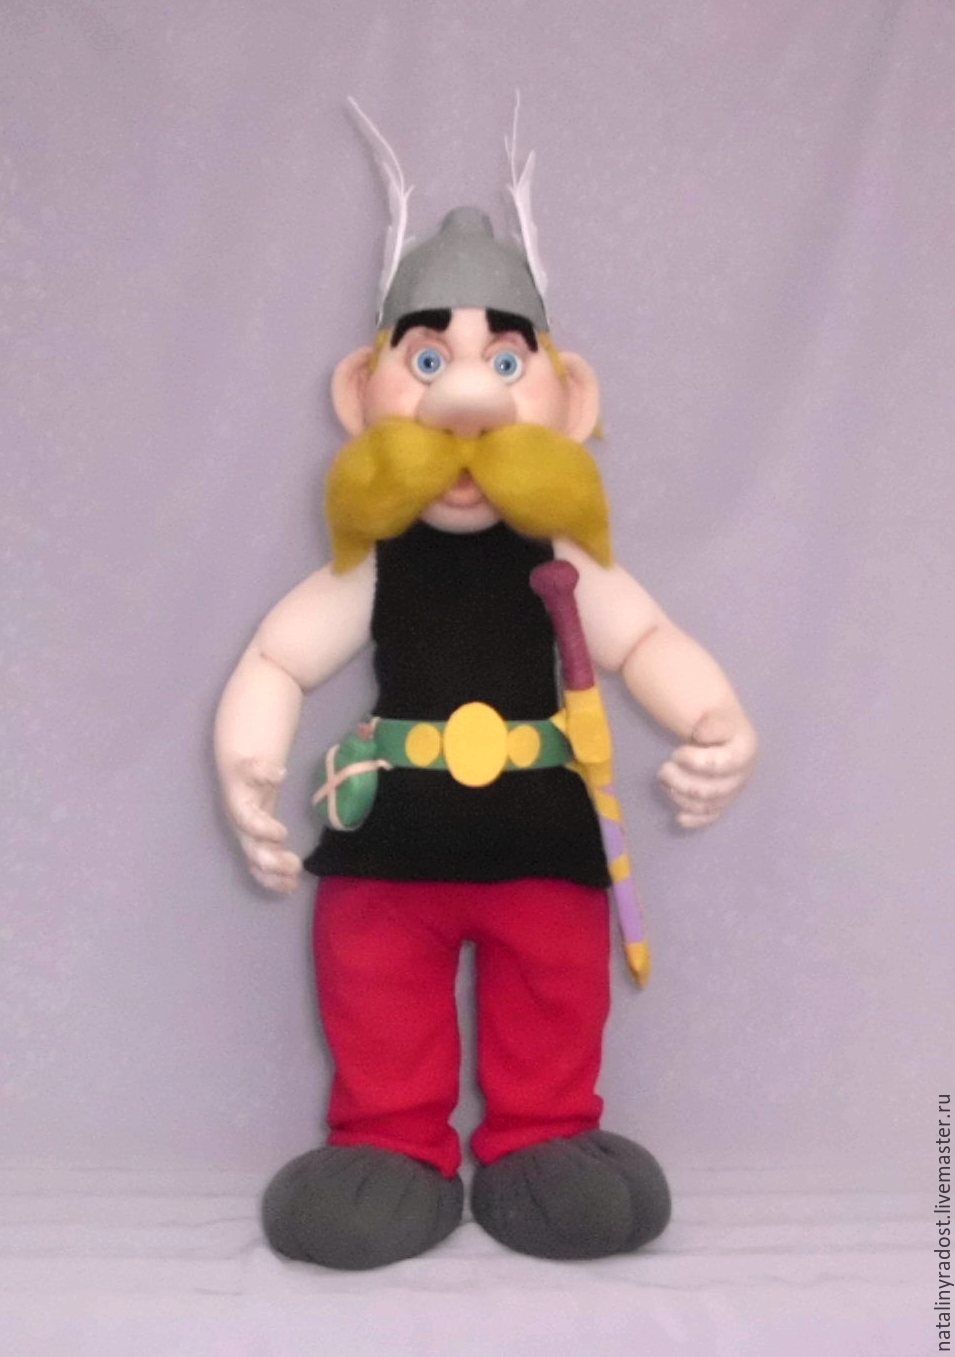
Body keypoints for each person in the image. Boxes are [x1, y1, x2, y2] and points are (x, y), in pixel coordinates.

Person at [214, 207, 758, 1269]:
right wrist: (248, 759)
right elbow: (278, 659)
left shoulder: (564, 558)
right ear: (361, 392)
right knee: (376, 997)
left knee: (555, 995)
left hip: (542, 841)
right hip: (391, 847)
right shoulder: (374, 565)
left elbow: (647, 640)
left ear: (568, 398)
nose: (465, 400)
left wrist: (717, 719)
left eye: (504, 362)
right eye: (427, 360)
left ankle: (542, 1139)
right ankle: (389, 1144)